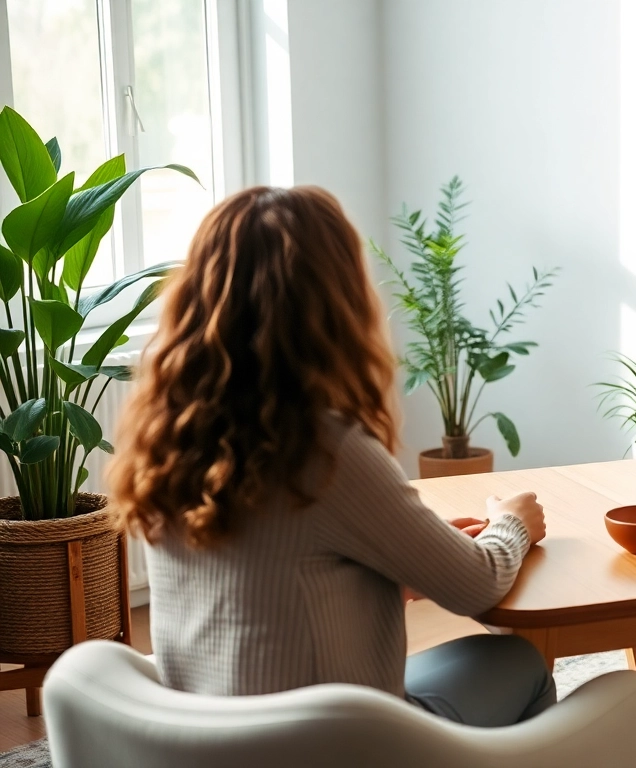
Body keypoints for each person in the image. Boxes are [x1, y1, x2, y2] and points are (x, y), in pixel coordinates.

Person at [109, 185, 556, 727]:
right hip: (340, 747)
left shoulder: (168, 438)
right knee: (521, 661)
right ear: (336, 301)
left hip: (208, 741)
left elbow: (265, 582)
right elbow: (477, 583)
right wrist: (511, 524)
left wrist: (401, 567)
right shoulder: (326, 449)